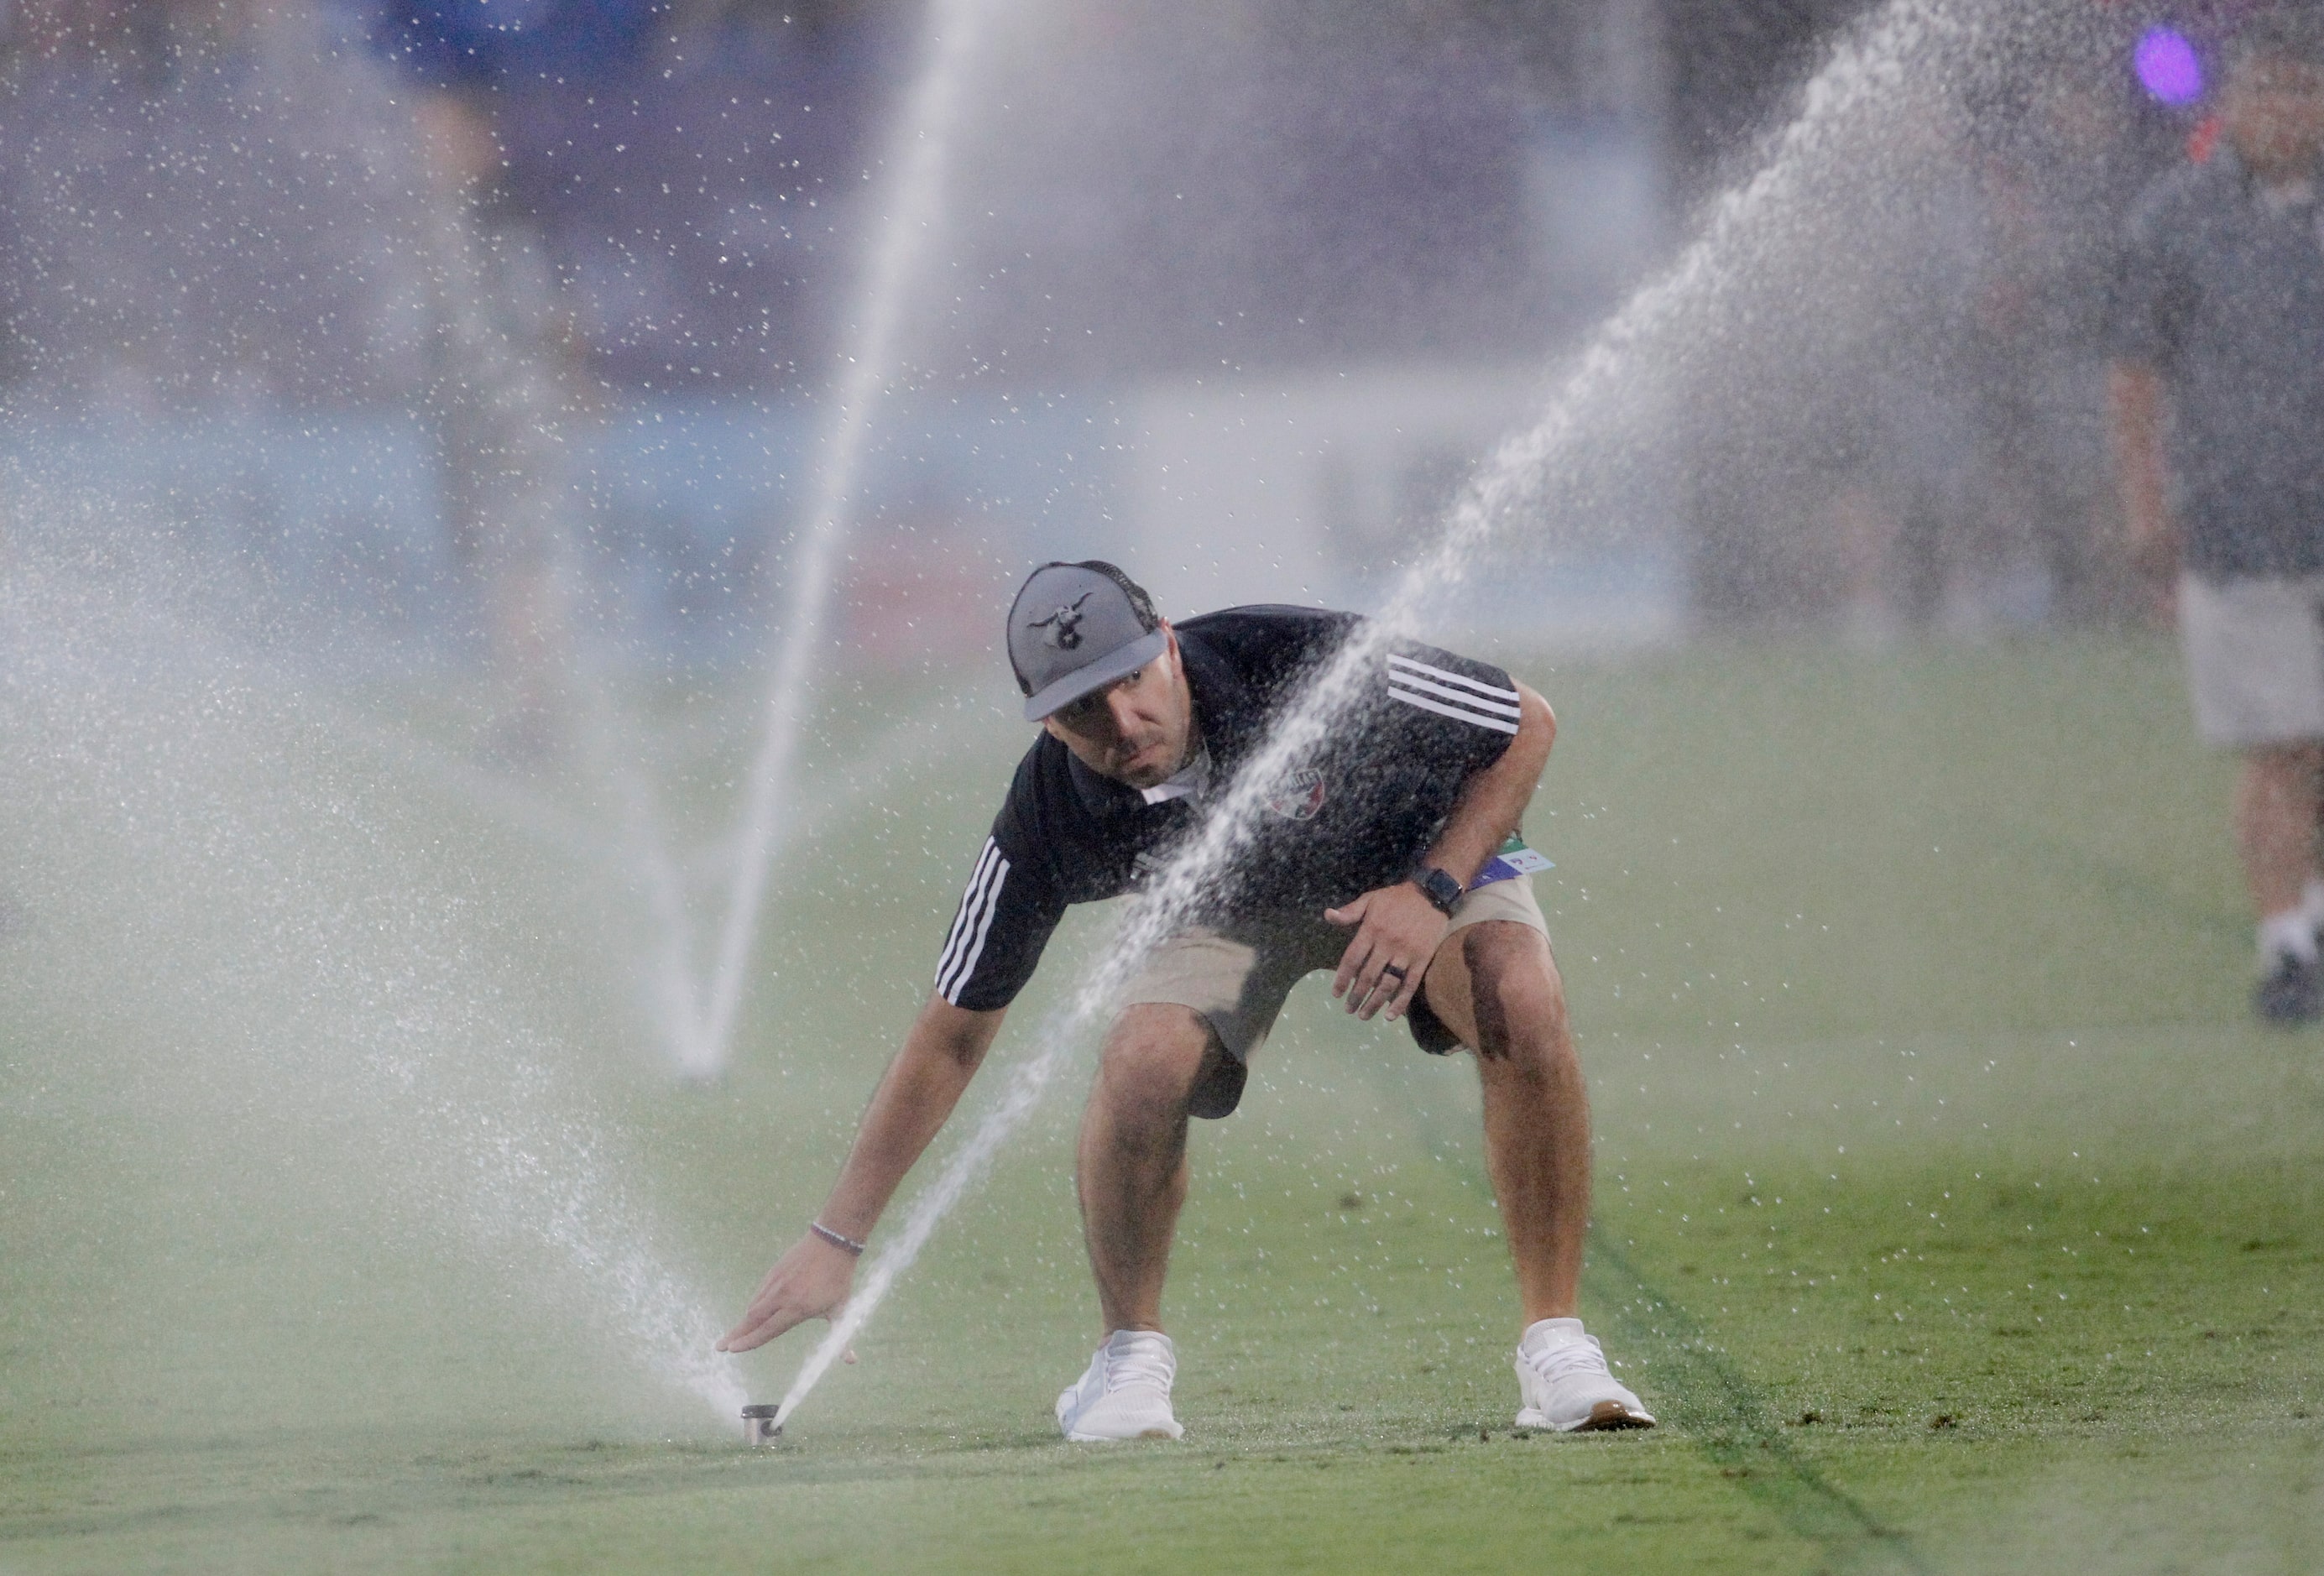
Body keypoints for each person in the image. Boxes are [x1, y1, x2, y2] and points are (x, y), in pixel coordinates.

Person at [719, 560, 1654, 1439]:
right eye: (1083, 712)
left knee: (1519, 993)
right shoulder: (1049, 813)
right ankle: (1128, 1360)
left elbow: (1526, 721)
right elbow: (950, 1036)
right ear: (1048, 725)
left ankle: (1557, 1349)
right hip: (1226, 905)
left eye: (1133, 681)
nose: (1122, 724)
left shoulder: (1299, 660)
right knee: (1142, 1060)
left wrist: (1435, 892)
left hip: (1418, 867)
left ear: (1168, 644)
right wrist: (836, 1236)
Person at [2109, 12, 2324, 1024]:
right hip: (2239, 524)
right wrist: (2146, 505)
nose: (2287, 109)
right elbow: (2134, 377)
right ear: (2231, 104)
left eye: (2303, 89)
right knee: (2276, 741)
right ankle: (2286, 946)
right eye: (2268, 91)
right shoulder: (2177, 220)